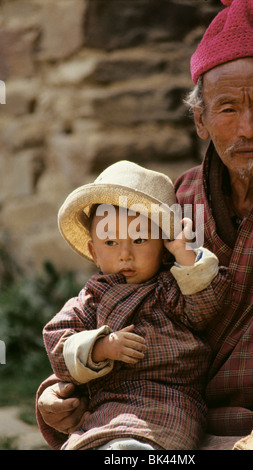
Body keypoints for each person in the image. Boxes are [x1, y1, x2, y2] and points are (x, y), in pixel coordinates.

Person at [36, 0, 253, 450]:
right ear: (200, 120)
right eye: (229, 109)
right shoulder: (180, 203)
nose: (250, 128)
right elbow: (121, 302)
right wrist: (60, 390)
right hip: (173, 412)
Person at [41, 160, 220, 450]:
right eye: (110, 243)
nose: (125, 255)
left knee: (145, 444)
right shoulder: (91, 297)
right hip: (105, 405)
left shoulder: (171, 289)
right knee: (90, 443)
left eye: (139, 240)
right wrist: (99, 348)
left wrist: (183, 253)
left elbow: (205, 308)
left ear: (162, 245)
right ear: (93, 252)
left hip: (169, 401)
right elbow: (56, 341)